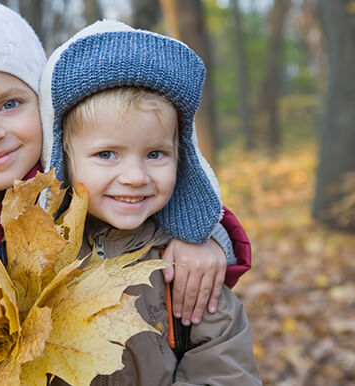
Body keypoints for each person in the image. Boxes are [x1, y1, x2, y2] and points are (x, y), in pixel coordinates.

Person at [0, 1, 251, 385]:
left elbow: (157, 179)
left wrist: (200, 236)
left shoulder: (78, 180)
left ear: (45, 107)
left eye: (10, 104)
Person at [39, 20, 261, 385]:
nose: (135, 176)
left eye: (155, 154)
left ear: (182, 158)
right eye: (107, 154)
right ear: (63, 160)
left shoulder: (185, 268)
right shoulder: (36, 262)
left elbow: (226, 368)